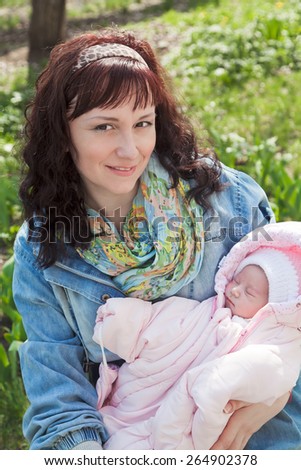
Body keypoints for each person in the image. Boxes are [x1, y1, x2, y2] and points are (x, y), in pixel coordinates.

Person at [11, 26, 298, 451]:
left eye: (142, 123)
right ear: (63, 133)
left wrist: (275, 390)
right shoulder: (43, 248)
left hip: (259, 437)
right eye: (104, 127)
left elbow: (290, 312)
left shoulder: (229, 201)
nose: (130, 150)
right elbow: (60, 401)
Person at [92, 221, 301, 449]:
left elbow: (262, 373)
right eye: (236, 280)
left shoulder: (266, 345)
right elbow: (167, 320)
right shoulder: (209, 311)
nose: (234, 290)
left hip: (179, 428)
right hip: (135, 401)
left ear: (272, 309)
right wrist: (125, 319)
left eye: (249, 292)